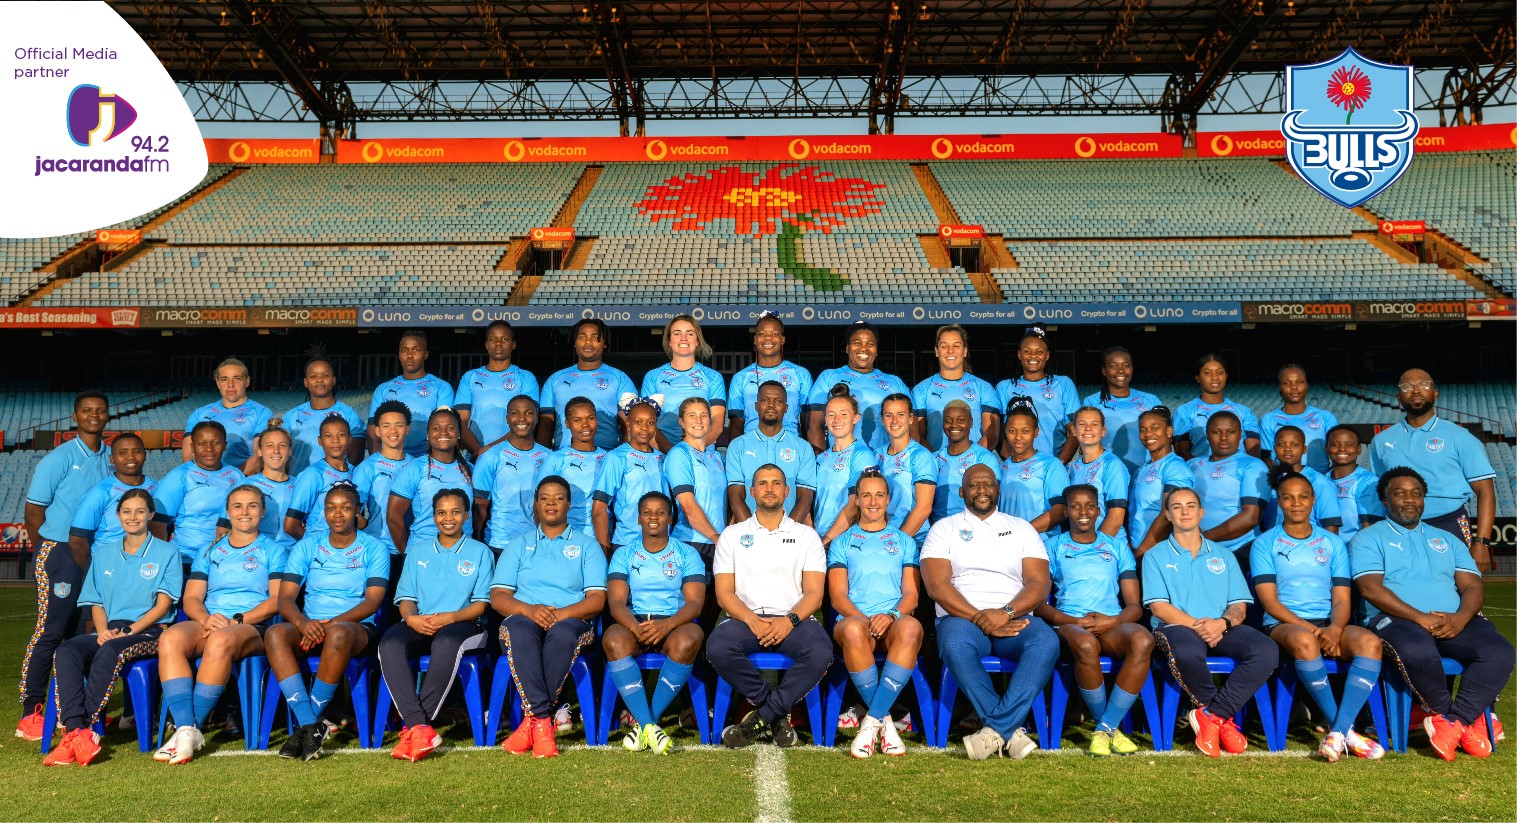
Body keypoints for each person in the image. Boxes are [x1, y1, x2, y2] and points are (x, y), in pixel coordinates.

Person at [1350, 467, 1514, 761]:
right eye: (1399, 494)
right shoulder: (1368, 538)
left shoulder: (1447, 539)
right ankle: (1455, 721)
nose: (1409, 499)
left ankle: (1454, 722)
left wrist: (1461, 618)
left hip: (1451, 620)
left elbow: (1473, 586)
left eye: (1416, 494)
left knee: (1498, 652)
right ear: (1386, 500)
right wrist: (1419, 617)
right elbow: (1370, 588)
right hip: (1396, 620)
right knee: (1418, 651)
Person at [922, 464, 1057, 761]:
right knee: (954, 644)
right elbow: (936, 586)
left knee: (1046, 641)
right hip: (961, 619)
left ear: (998, 489)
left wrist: (1005, 613)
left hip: (1014, 617)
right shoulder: (944, 528)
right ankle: (1011, 732)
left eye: (987, 484)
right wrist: (981, 619)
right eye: (973, 485)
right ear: (962, 492)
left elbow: (1039, 584)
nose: (981, 490)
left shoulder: (1022, 528)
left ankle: (995, 731)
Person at [1251, 472, 1385, 762]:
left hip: (1329, 622)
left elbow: (1342, 597)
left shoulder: (1332, 542)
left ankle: (1337, 732)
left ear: (1313, 500)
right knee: (1305, 641)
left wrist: (1335, 628)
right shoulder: (1265, 543)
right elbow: (1270, 602)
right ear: (1279, 501)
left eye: (1303, 497)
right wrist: (1314, 630)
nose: (1296, 503)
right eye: (1288, 497)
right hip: (1284, 624)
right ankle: (1345, 730)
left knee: (1370, 644)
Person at [43, 490, 180, 766]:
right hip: (109, 629)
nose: (133, 517)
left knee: (110, 651)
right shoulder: (103, 553)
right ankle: (77, 731)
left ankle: (79, 729)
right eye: (127, 511)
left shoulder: (167, 552)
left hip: (150, 630)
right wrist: (103, 630)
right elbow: (96, 601)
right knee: (67, 650)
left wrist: (130, 631)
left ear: (151, 514)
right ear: (118, 515)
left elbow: (163, 605)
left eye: (140, 511)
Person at [155, 484, 286, 765]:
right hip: (212, 622)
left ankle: (187, 730)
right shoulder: (210, 550)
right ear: (227, 511)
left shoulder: (274, 550)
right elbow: (192, 598)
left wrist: (237, 619)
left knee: (219, 640)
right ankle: (187, 729)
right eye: (237, 506)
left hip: (252, 625)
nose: (244, 512)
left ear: (263, 512)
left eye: (252, 506)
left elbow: (277, 600)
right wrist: (205, 618)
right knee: (170, 639)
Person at [1142, 487, 1278, 757]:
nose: (1185, 512)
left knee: (1266, 650)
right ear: (1167, 515)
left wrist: (1222, 623)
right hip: (1176, 627)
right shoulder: (1155, 555)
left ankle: (1214, 715)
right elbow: (1159, 607)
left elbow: (1238, 605)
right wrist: (1201, 626)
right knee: (1187, 650)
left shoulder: (1224, 555)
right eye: (1177, 507)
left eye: (1191, 506)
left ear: (1201, 512)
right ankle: (1222, 722)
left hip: (1220, 627)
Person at [267, 482, 389, 761]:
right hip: (309, 627)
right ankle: (310, 725)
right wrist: (302, 623)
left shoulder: (374, 548)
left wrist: (329, 624)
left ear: (357, 511)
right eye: (331, 508)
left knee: (339, 633)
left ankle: (304, 727)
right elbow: (285, 599)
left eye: (346, 508)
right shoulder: (307, 545)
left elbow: (372, 602)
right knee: (275, 633)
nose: (338, 514)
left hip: (355, 629)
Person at [710, 465, 830, 749]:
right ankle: (774, 713)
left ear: (787, 491)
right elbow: (724, 594)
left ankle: (759, 718)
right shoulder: (732, 535)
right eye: (762, 483)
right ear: (752, 492)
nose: (769, 488)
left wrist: (788, 621)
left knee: (821, 652)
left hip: (794, 620)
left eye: (776, 483)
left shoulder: (806, 536)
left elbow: (814, 595)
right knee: (717, 648)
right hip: (745, 619)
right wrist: (752, 620)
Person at [491, 476, 608, 758]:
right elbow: (498, 597)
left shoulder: (587, 545)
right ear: (536, 505)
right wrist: (530, 610)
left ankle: (531, 722)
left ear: (569, 504)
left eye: (558, 498)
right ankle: (543, 721)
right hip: (525, 617)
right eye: (544, 498)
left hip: (571, 620)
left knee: (563, 633)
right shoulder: (518, 544)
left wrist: (560, 614)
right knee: (518, 630)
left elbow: (597, 600)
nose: (551, 503)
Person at [18, 391, 111, 741]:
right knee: (51, 630)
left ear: (107, 416)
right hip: (59, 552)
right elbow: (33, 512)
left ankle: (69, 709)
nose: (93, 415)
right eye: (87, 410)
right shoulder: (59, 458)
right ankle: (31, 711)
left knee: (81, 635)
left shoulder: (109, 458)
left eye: (100, 410)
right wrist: (48, 550)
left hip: (93, 555)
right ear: (75, 416)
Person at [1034, 485, 1152, 756]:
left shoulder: (1116, 546)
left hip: (1110, 624)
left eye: (1089, 506)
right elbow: (1039, 605)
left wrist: (1112, 621)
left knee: (1143, 640)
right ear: (1066, 512)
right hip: (1069, 625)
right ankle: (1108, 728)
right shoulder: (1052, 546)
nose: (1083, 512)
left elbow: (1134, 607)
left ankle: (1104, 728)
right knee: (1086, 644)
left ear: (1099, 511)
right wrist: (1073, 621)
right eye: (1075, 506)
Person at [378, 488, 495, 763]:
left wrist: (450, 617)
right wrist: (411, 619)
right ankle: (419, 726)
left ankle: (416, 727)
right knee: (390, 643)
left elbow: (482, 605)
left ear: (466, 515)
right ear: (433, 517)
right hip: (422, 621)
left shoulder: (480, 552)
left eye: (455, 512)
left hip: (465, 624)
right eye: (442, 512)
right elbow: (406, 599)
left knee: (446, 642)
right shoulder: (418, 551)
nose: (448, 518)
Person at [604, 492, 707, 754]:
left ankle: (645, 723)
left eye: (661, 512)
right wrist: (634, 627)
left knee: (690, 639)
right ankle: (651, 726)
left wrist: (667, 625)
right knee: (613, 640)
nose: (653, 517)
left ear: (670, 518)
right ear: (638, 518)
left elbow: (695, 603)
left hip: (673, 622)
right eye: (647, 512)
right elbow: (616, 603)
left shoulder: (687, 553)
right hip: (634, 621)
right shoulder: (624, 554)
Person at [829, 468, 922, 758]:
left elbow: (911, 595)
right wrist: (866, 619)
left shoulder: (904, 541)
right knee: (853, 630)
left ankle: (871, 723)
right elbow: (837, 597)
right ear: (856, 499)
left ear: (888, 499)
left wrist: (891, 615)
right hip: (856, 621)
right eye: (866, 495)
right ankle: (887, 724)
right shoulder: (842, 542)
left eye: (879, 495)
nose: (873, 501)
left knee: (912, 628)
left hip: (893, 620)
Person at [1369, 368, 1497, 571]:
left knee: (1460, 587)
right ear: (1398, 397)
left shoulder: (1460, 437)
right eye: (1407, 386)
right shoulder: (1381, 441)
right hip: (1399, 527)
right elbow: (1380, 493)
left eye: (1423, 385)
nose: (1415, 390)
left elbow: (1486, 491)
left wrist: (1482, 542)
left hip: (1450, 523)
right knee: (1401, 586)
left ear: (1435, 393)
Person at [154, 421, 246, 571]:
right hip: (186, 560)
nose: (209, 448)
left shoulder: (237, 475)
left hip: (226, 560)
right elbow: (158, 523)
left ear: (224, 445)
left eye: (215, 443)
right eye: (202, 443)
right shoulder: (179, 476)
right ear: (192, 447)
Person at [807, 321, 909, 453]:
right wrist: (822, 460)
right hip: (841, 461)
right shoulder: (828, 377)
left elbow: (911, 428)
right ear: (847, 348)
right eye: (857, 343)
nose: (864, 348)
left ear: (876, 351)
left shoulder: (895, 382)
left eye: (870, 344)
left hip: (885, 461)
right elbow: (814, 425)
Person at [539, 317, 637, 452]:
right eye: (582, 337)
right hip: (564, 456)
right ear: (575, 342)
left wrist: (623, 457)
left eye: (595, 337)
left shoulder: (620, 379)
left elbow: (629, 425)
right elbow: (545, 426)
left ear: (604, 343)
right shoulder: (555, 379)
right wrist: (542, 457)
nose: (588, 342)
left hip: (608, 455)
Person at [726, 381, 816, 523]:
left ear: (786, 408)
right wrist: (753, 531)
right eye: (765, 400)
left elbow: (805, 498)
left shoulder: (803, 447)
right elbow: (735, 497)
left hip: (790, 531)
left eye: (778, 401)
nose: (771, 405)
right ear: (756, 406)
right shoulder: (737, 446)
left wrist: (785, 531)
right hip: (749, 532)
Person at [68, 432, 156, 576]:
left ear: (145, 455)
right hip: (108, 568)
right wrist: (95, 573)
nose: (130, 457)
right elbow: (77, 540)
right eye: (122, 452)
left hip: (145, 569)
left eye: (136, 451)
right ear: (112, 459)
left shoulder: (156, 488)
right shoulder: (101, 492)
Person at [387, 408, 473, 556]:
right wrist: (409, 554)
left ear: (459, 434)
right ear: (428, 434)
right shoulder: (414, 469)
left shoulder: (469, 469)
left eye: (450, 428)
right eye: (436, 428)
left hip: (463, 551)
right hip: (424, 553)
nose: (443, 432)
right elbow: (393, 518)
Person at [1187, 411, 1269, 560]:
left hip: (1240, 549)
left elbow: (1251, 517)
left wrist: (1202, 539)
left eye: (1230, 432)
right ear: (1207, 434)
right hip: (1197, 550)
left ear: (1240, 434)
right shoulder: (1192, 465)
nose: (1223, 438)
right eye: (1216, 432)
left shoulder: (1253, 465)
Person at [593, 396, 668, 554]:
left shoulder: (663, 458)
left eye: (650, 423)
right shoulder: (616, 457)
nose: (644, 428)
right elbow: (599, 509)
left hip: (662, 545)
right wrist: (605, 553)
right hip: (626, 544)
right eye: (638, 422)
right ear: (628, 422)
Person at [474, 396, 550, 549]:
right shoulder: (491, 456)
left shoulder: (549, 457)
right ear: (507, 418)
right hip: (500, 542)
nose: (522, 418)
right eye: (515, 413)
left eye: (529, 413)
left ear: (537, 418)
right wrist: (478, 542)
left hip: (538, 543)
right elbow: (480, 505)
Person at [456, 320, 541, 456]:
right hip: (473, 455)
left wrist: (487, 451)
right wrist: (477, 452)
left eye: (505, 339)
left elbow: (528, 421)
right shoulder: (470, 377)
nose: (498, 343)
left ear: (513, 345)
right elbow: (460, 421)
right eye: (493, 339)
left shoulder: (525, 377)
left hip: (513, 454)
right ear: (486, 345)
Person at [995, 325, 1079, 463]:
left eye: (1039, 352)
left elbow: (1074, 431)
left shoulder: (1063, 384)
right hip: (1017, 466)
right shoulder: (1004, 387)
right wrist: (1014, 464)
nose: (1033, 356)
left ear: (1047, 355)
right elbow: (999, 432)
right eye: (1027, 351)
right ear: (1019, 354)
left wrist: (1057, 465)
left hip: (1054, 464)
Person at [643, 314, 727, 451]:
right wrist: (672, 453)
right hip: (663, 454)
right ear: (669, 341)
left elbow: (717, 425)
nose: (683, 338)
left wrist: (692, 452)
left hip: (701, 453)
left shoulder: (713, 377)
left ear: (697, 341)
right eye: (677, 333)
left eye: (690, 333)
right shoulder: (652, 377)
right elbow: (647, 422)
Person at [912, 324, 999, 452]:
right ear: (936, 351)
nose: (950, 351)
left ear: (965, 351)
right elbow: (917, 435)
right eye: (944, 346)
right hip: (935, 462)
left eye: (956, 346)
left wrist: (970, 458)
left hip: (975, 462)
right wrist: (935, 460)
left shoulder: (984, 388)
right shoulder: (920, 390)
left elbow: (991, 435)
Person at [368, 331, 455, 458]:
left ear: (425, 355)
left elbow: (444, 427)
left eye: (416, 350)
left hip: (427, 459)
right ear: (399, 354)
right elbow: (373, 430)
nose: (409, 355)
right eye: (404, 350)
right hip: (392, 459)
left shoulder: (442, 387)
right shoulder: (382, 389)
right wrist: (380, 462)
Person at [728, 312, 812, 438]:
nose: (768, 338)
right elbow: (736, 424)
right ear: (755, 340)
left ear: (782, 339)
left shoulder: (801, 374)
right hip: (752, 445)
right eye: (762, 334)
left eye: (775, 334)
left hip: (791, 444)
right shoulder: (740, 378)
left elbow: (808, 424)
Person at [665, 397, 728, 566]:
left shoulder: (717, 457)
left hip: (719, 542)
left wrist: (724, 538)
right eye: (692, 415)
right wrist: (715, 537)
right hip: (692, 542)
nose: (698, 421)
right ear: (681, 422)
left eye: (704, 415)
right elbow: (687, 505)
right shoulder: (679, 454)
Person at [811, 386, 877, 545]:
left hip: (846, 542)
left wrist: (826, 540)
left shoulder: (862, 455)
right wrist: (813, 539)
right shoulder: (821, 458)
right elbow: (808, 501)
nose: (836, 420)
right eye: (831, 414)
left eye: (843, 414)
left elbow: (855, 504)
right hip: (819, 541)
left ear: (856, 418)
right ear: (825, 420)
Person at [1082, 346, 1163, 474]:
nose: (1121, 370)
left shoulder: (1151, 400)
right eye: (1113, 366)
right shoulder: (1091, 402)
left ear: (1132, 368)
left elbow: (1163, 441)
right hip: (1108, 473)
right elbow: (1087, 444)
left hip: (1146, 473)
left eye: (1126, 365)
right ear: (1104, 371)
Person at [182, 358, 271, 472]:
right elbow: (188, 457)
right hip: (204, 480)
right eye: (224, 379)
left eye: (237, 378)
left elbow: (259, 456)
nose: (230, 385)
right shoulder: (199, 414)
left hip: (243, 479)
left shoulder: (262, 413)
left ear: (247, 381)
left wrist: (231, 479)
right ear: (218, 383)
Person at [997, 397, 1067, 540]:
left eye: (1025, 431)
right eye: (1012, 431)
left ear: (1036, 432)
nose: (1018, 437)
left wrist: (1020, 533)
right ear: (1005, 432)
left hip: (1041, 544)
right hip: (1007, 545)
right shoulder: (1000, 468)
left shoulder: (1051, 465)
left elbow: (1060, 511)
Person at [283, 352, 365, 472]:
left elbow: (356, 457)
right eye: (313, 376)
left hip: (336, 482)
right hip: (297, 481)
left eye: (326, 375)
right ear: (305, 382)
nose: (320, 380)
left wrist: (341, 479)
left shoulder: (349, 415)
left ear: (334, 380)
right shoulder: (291, 416)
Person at [1129, 406, 1194, 557]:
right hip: (1139, 550)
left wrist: (1140, 554)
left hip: (1161, 554)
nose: (1148, 434)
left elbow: (1169, 514)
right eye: (1143, 430)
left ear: (1169, 431)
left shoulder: (1175, 467)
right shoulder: (1140, 470)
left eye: (1155, 428)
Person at [535, 396, 606, 532]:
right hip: (567, 536)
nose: (585, 425)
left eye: (590, 418)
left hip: (600, 536)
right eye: (577, 420)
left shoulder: (608, 458)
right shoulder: (556, 458)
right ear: (567, 424)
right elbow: (538, 504)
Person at [285, 414, 358, 543]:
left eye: (341, 435)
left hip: (350, 548)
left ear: (350, 439)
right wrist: (317, 546)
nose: (335, 440)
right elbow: (290, 526)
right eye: (328, 436)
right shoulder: (312, 474)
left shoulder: (356, 472)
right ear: (320, 441)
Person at [1173, 353, 1261, 460]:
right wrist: (1202, 468)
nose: (1215, 377)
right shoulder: (1185, 411)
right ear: (1198, 378)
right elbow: (1181, 451)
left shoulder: (1244, 411)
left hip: (1238, 468)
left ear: (1226, 376)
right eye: (1207, 373)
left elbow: (1254, 450)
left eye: (1220, 372)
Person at [353, 401, 412, 559]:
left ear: (407, 429)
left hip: (412, 547)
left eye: (399, 425)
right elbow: (352, 511)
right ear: (377, 431)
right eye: (386, 426)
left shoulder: (417, 465)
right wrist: (367, 526)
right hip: (379, 549)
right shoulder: (367, 467)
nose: (393, 430)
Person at [1067, 406, 1131, 547]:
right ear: (1074, 430)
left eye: (1094, 424)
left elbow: (1116, 519)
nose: (1088, 428)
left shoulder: (1112, 465)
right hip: (1081, 546)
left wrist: (1093, 549)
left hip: (1108, 548)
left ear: (1103, 431)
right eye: (1082, 424)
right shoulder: (1072, 467)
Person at [876, 393, 935, 546]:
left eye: (900, 415)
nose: (894, 421)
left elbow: (924, 508)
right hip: (881, 538)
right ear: (882, 420)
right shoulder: (876, 455)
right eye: (889, 415)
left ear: (910, 419)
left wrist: (896, 543)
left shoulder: (921, 456)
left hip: (913, 541)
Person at [1260, 365, 1339, 473]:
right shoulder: (1268, 420)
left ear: (1307, 385)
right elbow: (1267, 458)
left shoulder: (1325, 417)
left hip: (1320, 477)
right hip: (1285, 479)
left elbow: (1337, 452)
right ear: (1280, 387)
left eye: (1300, 382)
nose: (1294, 387)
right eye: (1287, 383)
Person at [931, 400, 999, 523]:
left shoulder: (985, 458)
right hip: (939, 527)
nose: (954, 425)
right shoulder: (934, 458)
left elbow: (993, 499)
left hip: (973, 526)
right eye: (948, 420)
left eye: (960, 420)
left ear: (971, 422)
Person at [1261, 427, 1341, 532]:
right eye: (1281, 444)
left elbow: (1331, 527)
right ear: (1274, 448)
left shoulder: (1319, 481)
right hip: (1272, 540)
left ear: (1304, 449)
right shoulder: (1267, 479)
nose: (1287, 449)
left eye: (1294, 445)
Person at [231, 422, 295, 550]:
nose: (276, 451)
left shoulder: (301, 485)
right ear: (259, 451)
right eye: (269, 445)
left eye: (282, 445)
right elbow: (224, 529)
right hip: (257, 555)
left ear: (290, 451)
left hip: (293, 555)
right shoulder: (244, 485)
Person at [1325, 424, 1384, 545]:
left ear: (1359, 449)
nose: (1342, 449)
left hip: (1354, 549)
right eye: (1335, 444)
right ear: (1327, 448)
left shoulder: (1368, 482)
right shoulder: (1320, 480)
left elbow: (1369, 530)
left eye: (1349, 445)